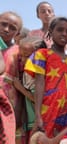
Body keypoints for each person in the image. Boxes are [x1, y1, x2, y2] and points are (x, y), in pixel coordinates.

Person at [24, 17, 67, 138]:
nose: (64, 34)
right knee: (42, 138)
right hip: (47, 108)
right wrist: (37, 115)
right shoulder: (42, 54)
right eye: (60, 30)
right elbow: (39, 84)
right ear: (51, 31)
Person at [12, 36, 47, 143]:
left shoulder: (40, 76)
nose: (23, 61)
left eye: (26, 56)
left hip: (40, 122)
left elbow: (39, 100)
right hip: (31, 121)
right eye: (21, 57)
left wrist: (20, 88)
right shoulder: (28, 73)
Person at [0, 11, 23, 144]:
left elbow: (21, 84)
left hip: (10, 105)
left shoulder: (19, 52)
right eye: (3, 24)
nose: (6, 29)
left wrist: (19, 111)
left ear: (18, 33)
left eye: (13, 28)